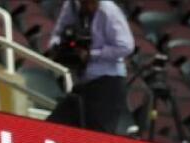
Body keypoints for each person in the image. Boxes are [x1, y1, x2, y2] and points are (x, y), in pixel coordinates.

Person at [45, 0, 134, 134]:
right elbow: (58, 34)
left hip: (108, 81)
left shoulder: (108, 10)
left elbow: (126, 46)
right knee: (53, 125)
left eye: (92, 3)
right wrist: (57, 47)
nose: (88, 7)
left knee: (98, 135)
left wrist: (91, 54)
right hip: (83, 81)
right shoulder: (71, 6)